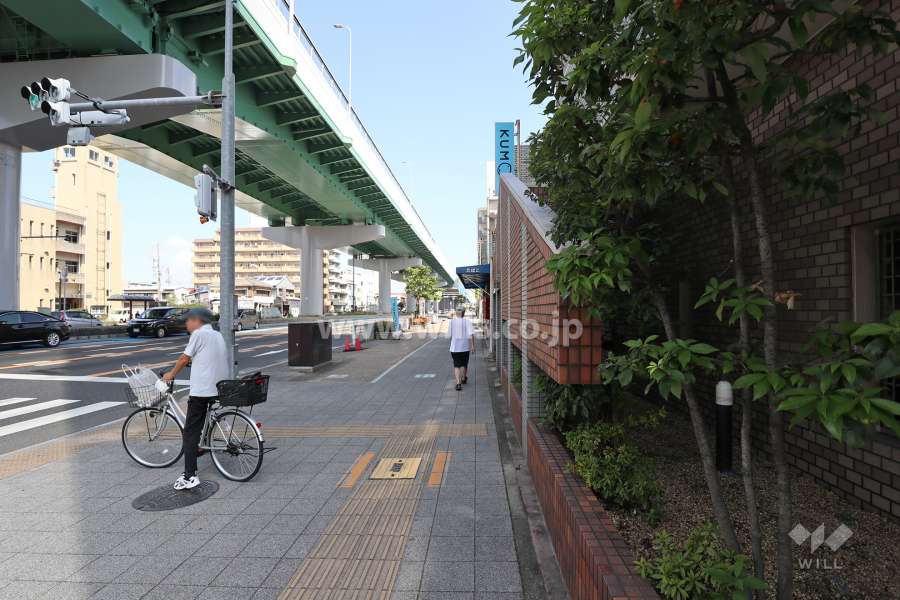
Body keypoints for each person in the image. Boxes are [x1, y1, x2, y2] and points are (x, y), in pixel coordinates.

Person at [163, 307, 228, 490]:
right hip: (219, 387)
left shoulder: (198, 335)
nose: (186, 324)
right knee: (200, 424)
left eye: (188, 320)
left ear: (197, 320)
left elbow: (184, 359)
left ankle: (189, 476)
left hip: (202, 391)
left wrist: (171, 374)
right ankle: (200, 448)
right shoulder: (217, 335)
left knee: (190, 432)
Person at [449, 308, 475, 391]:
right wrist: (473, 346)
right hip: (464, 347)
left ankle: (458, 383)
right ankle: (463, 378)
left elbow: (449, 334)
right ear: (463, 313)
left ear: (456, 314)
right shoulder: (467, 322)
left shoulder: (452, 322)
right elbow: (471, 334)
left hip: (454, 348)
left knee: (456, 365)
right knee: (464, 364)